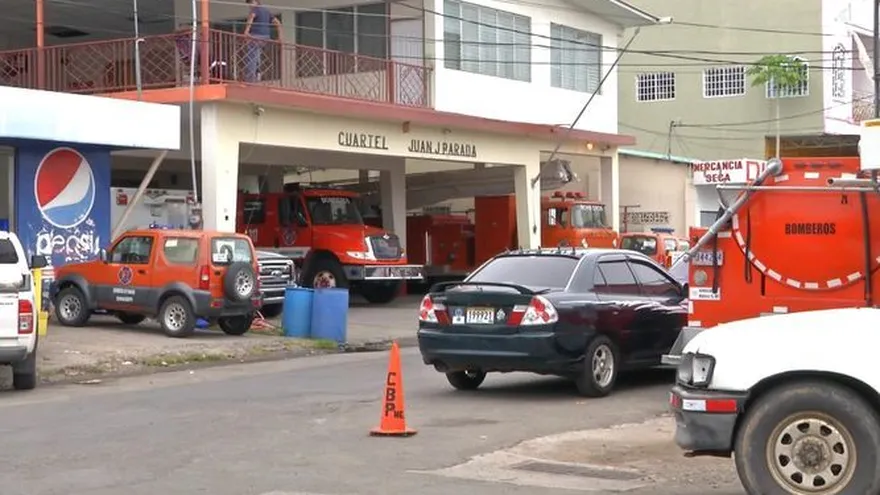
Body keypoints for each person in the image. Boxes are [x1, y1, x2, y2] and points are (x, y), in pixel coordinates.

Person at [243, 0, 282, 82]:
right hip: (265, 37)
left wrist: (246, 31)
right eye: (249, 3)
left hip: (256, 36)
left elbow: (251, 17)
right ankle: (257, 74)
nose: (250, 5)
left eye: (251, 2)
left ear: (256, 2)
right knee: (256, 55)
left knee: (251, 57)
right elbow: (278, 23)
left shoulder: (255, 9)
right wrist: (280, 37)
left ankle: (250, 79)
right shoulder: (266, 11)